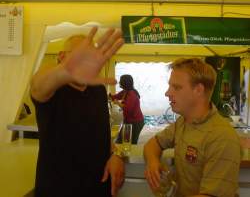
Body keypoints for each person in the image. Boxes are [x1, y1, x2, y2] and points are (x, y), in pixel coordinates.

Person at [30, 27, 125, 197]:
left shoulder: (97, 90)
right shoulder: (53, 89)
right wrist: (66, 71)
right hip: (59, 189)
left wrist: (115, 154)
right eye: (79, 56)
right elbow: (37, 85)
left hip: (99, 186)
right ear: (62, 56)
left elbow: (101, 134)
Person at [144, 58, 241, 197]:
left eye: (176, 87)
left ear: (198, 90)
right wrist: (153, 163)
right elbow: (153, 144)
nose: (167, 93)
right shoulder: (184, 122)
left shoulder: (222, 137)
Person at [109, 74, 144, 144]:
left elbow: (127, 108)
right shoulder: (125, 91)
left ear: (124, 83)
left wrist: (117, 103)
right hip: (128, 120)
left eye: (120, 81)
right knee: (122, 140)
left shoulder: (132, 94)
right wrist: (108, 96)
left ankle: (130, 154)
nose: (119, 82)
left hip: (136, 122)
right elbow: (116, 96)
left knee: (130, 142)